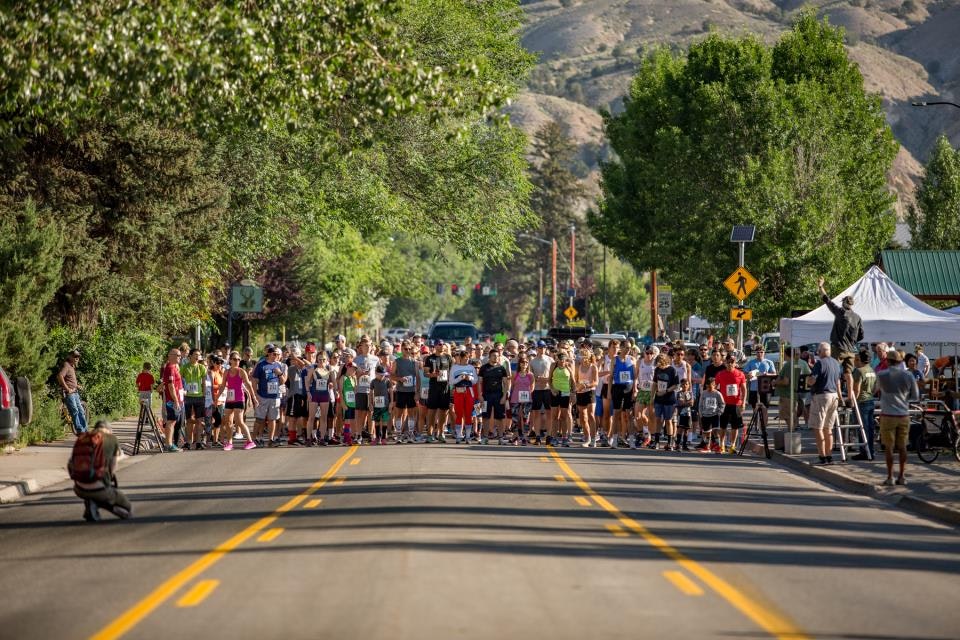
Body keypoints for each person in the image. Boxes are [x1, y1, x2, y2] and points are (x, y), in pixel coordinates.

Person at [70, 420, 132, 522]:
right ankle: (97, 503)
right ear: (109, 430)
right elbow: (113, 467)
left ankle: (91, 502)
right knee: (127, 507)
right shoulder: (111, 439)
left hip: (78, 488)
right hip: (99, 488)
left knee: (95, 494)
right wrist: (109, 478)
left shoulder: (81, 438)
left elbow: (71, 463)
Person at [817, 277, 863, 405]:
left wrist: (821, 287)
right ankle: (850, 398)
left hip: (838, 348)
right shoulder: (857, 317)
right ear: (852, 304)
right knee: (848, 374)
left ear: (844, 303)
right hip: (851, 350)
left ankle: (840, 398)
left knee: (836, 372)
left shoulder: (840, 312)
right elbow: (861, 335)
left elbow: (827, 300)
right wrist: (852, 341)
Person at [876, 350, 920, 485]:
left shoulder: (881, 375)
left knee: (888, 447)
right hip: (903, 414)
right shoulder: (908, 375)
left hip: (887, 414)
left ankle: (890, 477)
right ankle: (902, 476)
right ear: (901, 361)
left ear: (887, 361)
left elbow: (876, 390)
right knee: (902, 446)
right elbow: (915, 396)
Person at [806, 342, 842, 464]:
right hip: (834, 396)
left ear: (821, 351)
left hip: (822, 396)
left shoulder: (820, 363)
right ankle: (829, 456)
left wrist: (807, 379)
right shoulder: (836, 363)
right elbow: (838, 382)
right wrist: (840, 397)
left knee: (818, 427)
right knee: (829, 428)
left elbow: (812, 381)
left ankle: (822, 456)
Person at [219, 353, 258, 450]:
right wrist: (216, 398)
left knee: (239, 421)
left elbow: (248, 385)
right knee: (228, 421)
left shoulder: (241, 371)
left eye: (238, 359)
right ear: (230, 360)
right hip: (229, 399)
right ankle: (229, 443)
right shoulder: (226, 372)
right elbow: (223, 385)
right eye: (235, 359)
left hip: (239, 399)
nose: (237, 361)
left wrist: (253, 397)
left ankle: (250, 441)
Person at [714, 355, 746, 453]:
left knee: (735, 426)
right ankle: (722, 444)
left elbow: (744, 389)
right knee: (723, 426)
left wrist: (743, 402)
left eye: (732, 362)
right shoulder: (720, 374)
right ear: (725, 363)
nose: (730, 364)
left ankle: (732, 445)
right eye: (728, 362)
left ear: (735, 363)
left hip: (736, 404)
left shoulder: (740, 374)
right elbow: (714, 386)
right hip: (724, 404)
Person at [850, 351, 877, 460]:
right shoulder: (871, 370)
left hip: (861, 402)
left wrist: (852, 401)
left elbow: (856, 389)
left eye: (856, 359)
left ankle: (865, 452)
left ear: (860, 360)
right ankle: (870, 451)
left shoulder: (859, 371)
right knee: (870, 429)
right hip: (870, 400)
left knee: (862, 429)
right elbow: (875, 387)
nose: (854, 362)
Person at [179, 348, 207, 450]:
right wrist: (182, 391)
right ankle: (188, 441)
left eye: (198, 355)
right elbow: (180, 380)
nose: (197, 357)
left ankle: (198, 441)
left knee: (199, 420)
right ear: (190, 356)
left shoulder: (202, 367)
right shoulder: (184, 367)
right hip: (188, 397)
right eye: (195, 354)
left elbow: (204, 383)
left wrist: (204, 395)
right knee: (189, 420)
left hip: (199, 397)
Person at [57, 349, 87, 435]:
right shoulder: (66, 365)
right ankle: (80, 431)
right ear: (69, 356)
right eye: (75, 356)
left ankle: (85, 430)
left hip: (75, 392)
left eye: (78, 357)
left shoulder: (72, 366)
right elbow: (60, 376)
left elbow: (69, 380)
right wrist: (67, 389)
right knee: (75, 411)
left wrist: (77, 386)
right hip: (69, 393)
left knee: (81, 411)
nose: (77, 358)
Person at [161, 348, 184, 452]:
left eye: (180, 355)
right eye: (178, 355)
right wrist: (175, 400)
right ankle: (169, 445)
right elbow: (170, 386)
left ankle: (169, 444)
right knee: (171, 421)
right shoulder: (170, 368)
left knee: (173, 421)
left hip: (177, 398)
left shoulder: (175, 367)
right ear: (171, 356)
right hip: (172, 400)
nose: (180, 357)